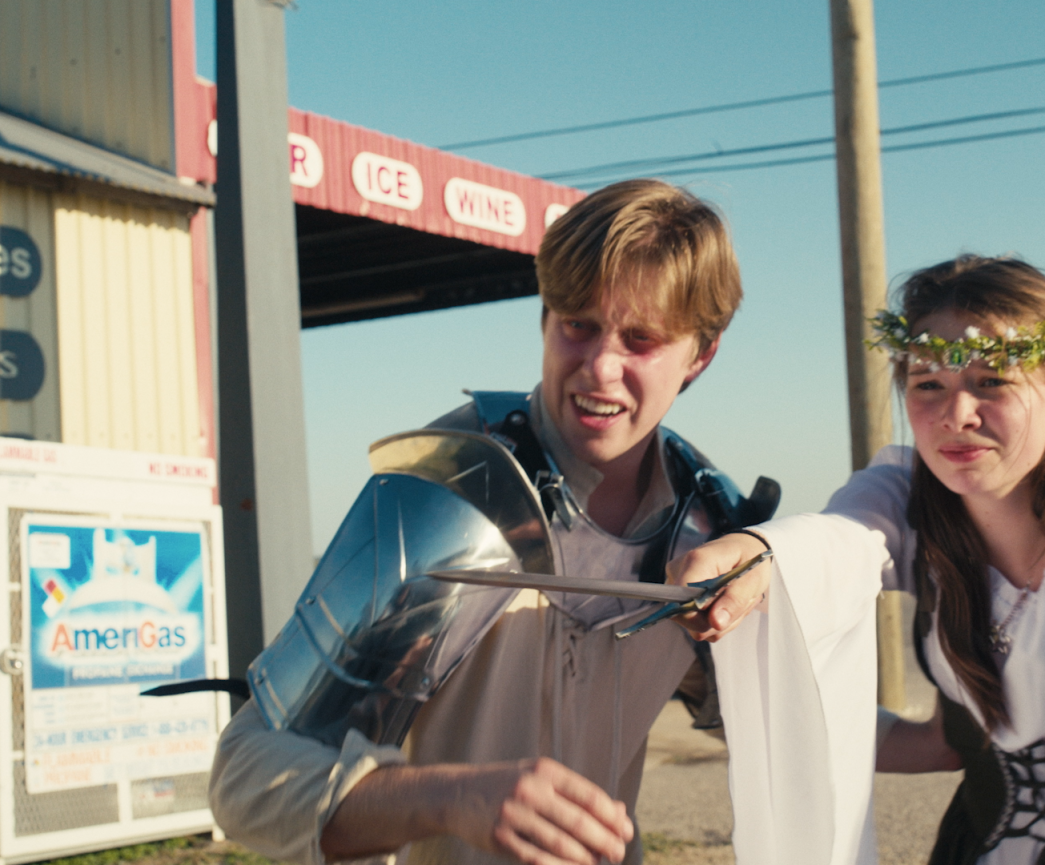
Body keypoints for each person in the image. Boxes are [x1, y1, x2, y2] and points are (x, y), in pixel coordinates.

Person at [210, 179, 772, 865]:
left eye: (641, 339)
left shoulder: (706, 521)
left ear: (701, 354)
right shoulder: (453, 488)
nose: (600, 366)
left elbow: (774, 721)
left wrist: (935, 732)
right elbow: (242, 776)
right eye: (579, 323)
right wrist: (450, 798)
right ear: (544, 317)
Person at [670, 255, 1045, 864]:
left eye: (992, 381)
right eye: (929, 385)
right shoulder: (908, 496)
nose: (956, 416)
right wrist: (753, 567)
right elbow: (838, 540)